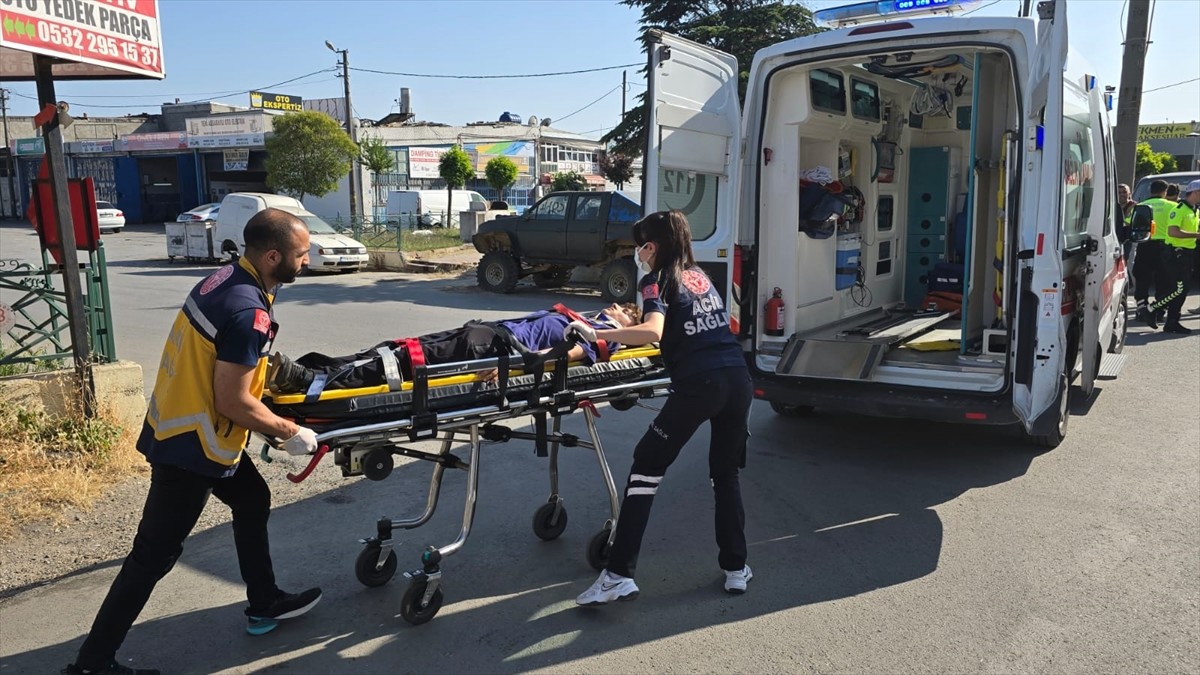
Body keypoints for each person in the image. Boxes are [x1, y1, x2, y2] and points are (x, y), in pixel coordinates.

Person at [63, 209, 323, 675]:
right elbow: (233, 401)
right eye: (301, 254)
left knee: (252, 498)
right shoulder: (249, 311)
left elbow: (223, 363)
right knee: (152, 558)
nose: (306, 261)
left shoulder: (226, 279)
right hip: (193, 448)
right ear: (271, 255)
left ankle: (264, 601)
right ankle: (91, 665)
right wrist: (289, 432)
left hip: (186, 429)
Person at [570, 210, 753, 606]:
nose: (639, 254)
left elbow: (654, 330)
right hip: (737, 380)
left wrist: (597, 332)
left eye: (640, 247)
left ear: (650, 247)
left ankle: (618, 574)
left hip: (699, 387)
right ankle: (736, 569)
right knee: (725, 474)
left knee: (646, 466)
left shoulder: (657, 280)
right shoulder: (700, 276)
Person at [266, 303, 641, 394]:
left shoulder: (598, 340)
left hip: (491, 349)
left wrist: (512, 367)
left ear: (629, 327)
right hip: (483, 334)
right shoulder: (583, 320)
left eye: (625, 312)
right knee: (393, 350)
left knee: (404, 364)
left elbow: (559, 358)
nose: (615, 307)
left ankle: (308, 384)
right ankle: (311, 370)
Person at [1147, 180, 1200, 334]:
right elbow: (1173, 232)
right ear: (1196, 192)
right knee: (1179, 289)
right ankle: (1150, 308)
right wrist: (1197, 235)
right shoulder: (1179, 209)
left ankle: (1172, 321)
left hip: (1187, 253)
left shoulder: (1194, 210)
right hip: (1176, 253)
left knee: (1182, 290)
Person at [1134, 179, 1176, 329]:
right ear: (1165, 191)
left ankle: (1141, 308)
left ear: (1151, 190)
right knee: (1163, 280)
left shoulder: (1141, 206)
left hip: (1145, 245)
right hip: (1165, 247)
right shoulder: (1173, 206)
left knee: (1143, 278)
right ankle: (1158, 310)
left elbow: (1129, 222)